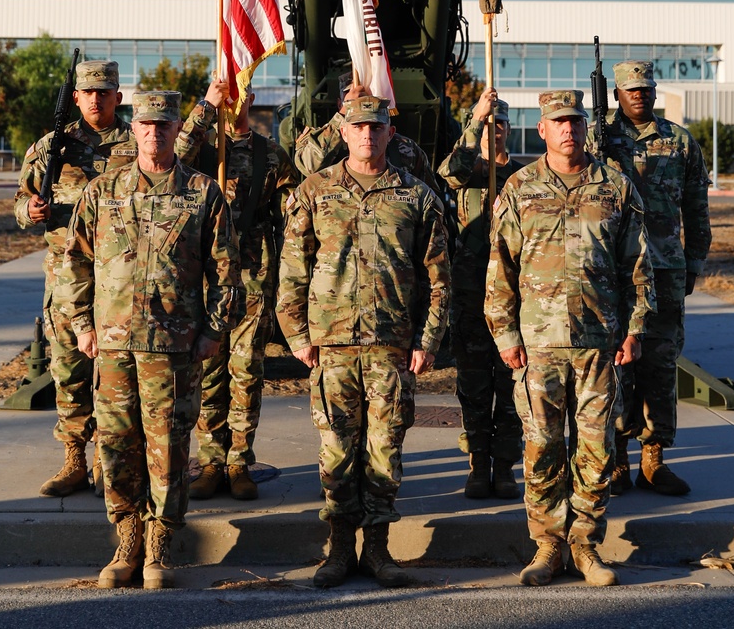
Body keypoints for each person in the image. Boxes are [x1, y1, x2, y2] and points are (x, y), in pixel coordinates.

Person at [56, 90, 239, 592]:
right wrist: (83, 326)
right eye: (146, 124)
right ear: (133, 127)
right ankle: (127, 540)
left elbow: (226, 269)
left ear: (178, 127)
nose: (154, 132)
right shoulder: (104, 190)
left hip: (174, 347)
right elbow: (75, 261)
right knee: (116, 446)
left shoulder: (201, 191)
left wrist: (213, 332)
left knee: (169, 449)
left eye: (164, 124)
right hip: (113, 346)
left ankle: (160, 544)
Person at [14, 59, 224, 497]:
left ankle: (106, 462)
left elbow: (179, 156)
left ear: (117, 97)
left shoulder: (137, 139)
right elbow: (21, 200)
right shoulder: (53, 147)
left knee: (117, 381)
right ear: (76, 97)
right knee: (70, 368)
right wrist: (28, 211)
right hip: (69, 278)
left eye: (104, 92)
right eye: (88, 93)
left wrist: (206, 106)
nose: (96, 99)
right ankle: (74, 455)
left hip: (130, 283)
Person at [277, 95, 450, 590]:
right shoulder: (315, 190)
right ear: (345, 132)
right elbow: (293, 269)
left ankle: (377, 550)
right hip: (330, 346)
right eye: (359, 127)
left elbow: (438, 277)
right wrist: (296, 335)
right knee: (336, 452)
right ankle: (337, 550)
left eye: (376, 128)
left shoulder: (416, 196)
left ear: (389, 134)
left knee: (384, 451)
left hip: (391, 346)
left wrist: (428, 338)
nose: (368, 135)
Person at [486, 88, 653, 588]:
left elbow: (639, 268)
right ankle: (548, 545)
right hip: (538, 346)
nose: (568, 129)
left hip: (599, 343)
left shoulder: (615, 187)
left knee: (597, 448)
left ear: (584, 127)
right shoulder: (519, 189)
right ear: (541, 129)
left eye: (575, 121)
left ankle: (585, 545)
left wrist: (636, 327)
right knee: (540, 449)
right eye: (558, 121)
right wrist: (504, 333)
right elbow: (500, 269)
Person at [589, 60, 711, 497]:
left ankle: (654, 456)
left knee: (660, 363)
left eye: (645, 88)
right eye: (630, 90)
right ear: (617, 93)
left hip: (664, 267)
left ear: (655, 91)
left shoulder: (679, 141)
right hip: (614, 270)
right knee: (618, 364)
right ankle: (617, 456)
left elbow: (696, 206)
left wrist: (694, 260)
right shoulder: (597, 136)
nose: (639, 95)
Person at [189, 88, 299, 501]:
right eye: (226, 93)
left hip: (252, 280)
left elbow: (295, 208)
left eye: (239, 93)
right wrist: (205, 108)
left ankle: (238, 462)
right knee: (208, 373)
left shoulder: (269, 154)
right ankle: (211, 461)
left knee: (246, 374)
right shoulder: (200, 151)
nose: (233, 100)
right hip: (203, 282)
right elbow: (173, 158)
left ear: (250, 99)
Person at [436, 86, 523, 500]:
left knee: (509, 382)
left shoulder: (524, 178)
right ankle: (477, 463)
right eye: (489, 124)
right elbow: (448, 173)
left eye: (499, 123)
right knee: (472, 382)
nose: (494, 130)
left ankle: (505, 465)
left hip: (513, 294)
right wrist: (474, 121)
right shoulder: (467, 173)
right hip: (470, 291)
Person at [292, 75, 442, 194]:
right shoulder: (322, 138)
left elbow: (430, 198)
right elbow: (309, 165)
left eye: (367, 96)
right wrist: (346, 112)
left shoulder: (404, 148)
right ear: (339, 103)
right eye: (350, 97)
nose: (361, 102)